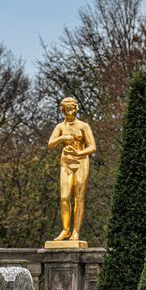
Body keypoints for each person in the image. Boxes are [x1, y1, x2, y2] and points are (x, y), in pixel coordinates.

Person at [47, 97, 96, 242]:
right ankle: (65, 229)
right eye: (67, 109)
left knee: (79, 197)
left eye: (72, 108)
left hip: (81, 162)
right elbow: (50, 144)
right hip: (66, 162)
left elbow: (92, 147)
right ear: (62, 110)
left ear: (76, 109)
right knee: (64, 196)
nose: (70, 112)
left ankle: (76, 232)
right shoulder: (60, 127)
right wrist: (63, 138)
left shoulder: (83, 126)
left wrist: (79, 153)